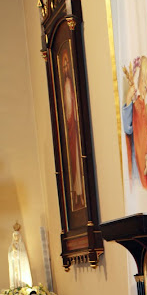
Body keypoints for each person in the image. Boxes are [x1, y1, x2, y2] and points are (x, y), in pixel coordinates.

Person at [122, 55, 147, 190]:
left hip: (144, 157)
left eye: (146, 84)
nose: (144, 88)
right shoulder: (136, 104)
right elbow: (128, 128)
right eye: (142, 83)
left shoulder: (142, 105)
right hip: (136, 159)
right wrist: (128, 99)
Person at [61, 50, 85, 210]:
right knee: (75, 164)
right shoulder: (66, 85)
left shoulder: (69, 84)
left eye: (66, 64)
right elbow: (68, 112)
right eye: (63, 66)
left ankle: (79, 193)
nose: (65, 68)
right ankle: (77, 193)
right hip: (71, 129)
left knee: (78, 160)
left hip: (74, 130)